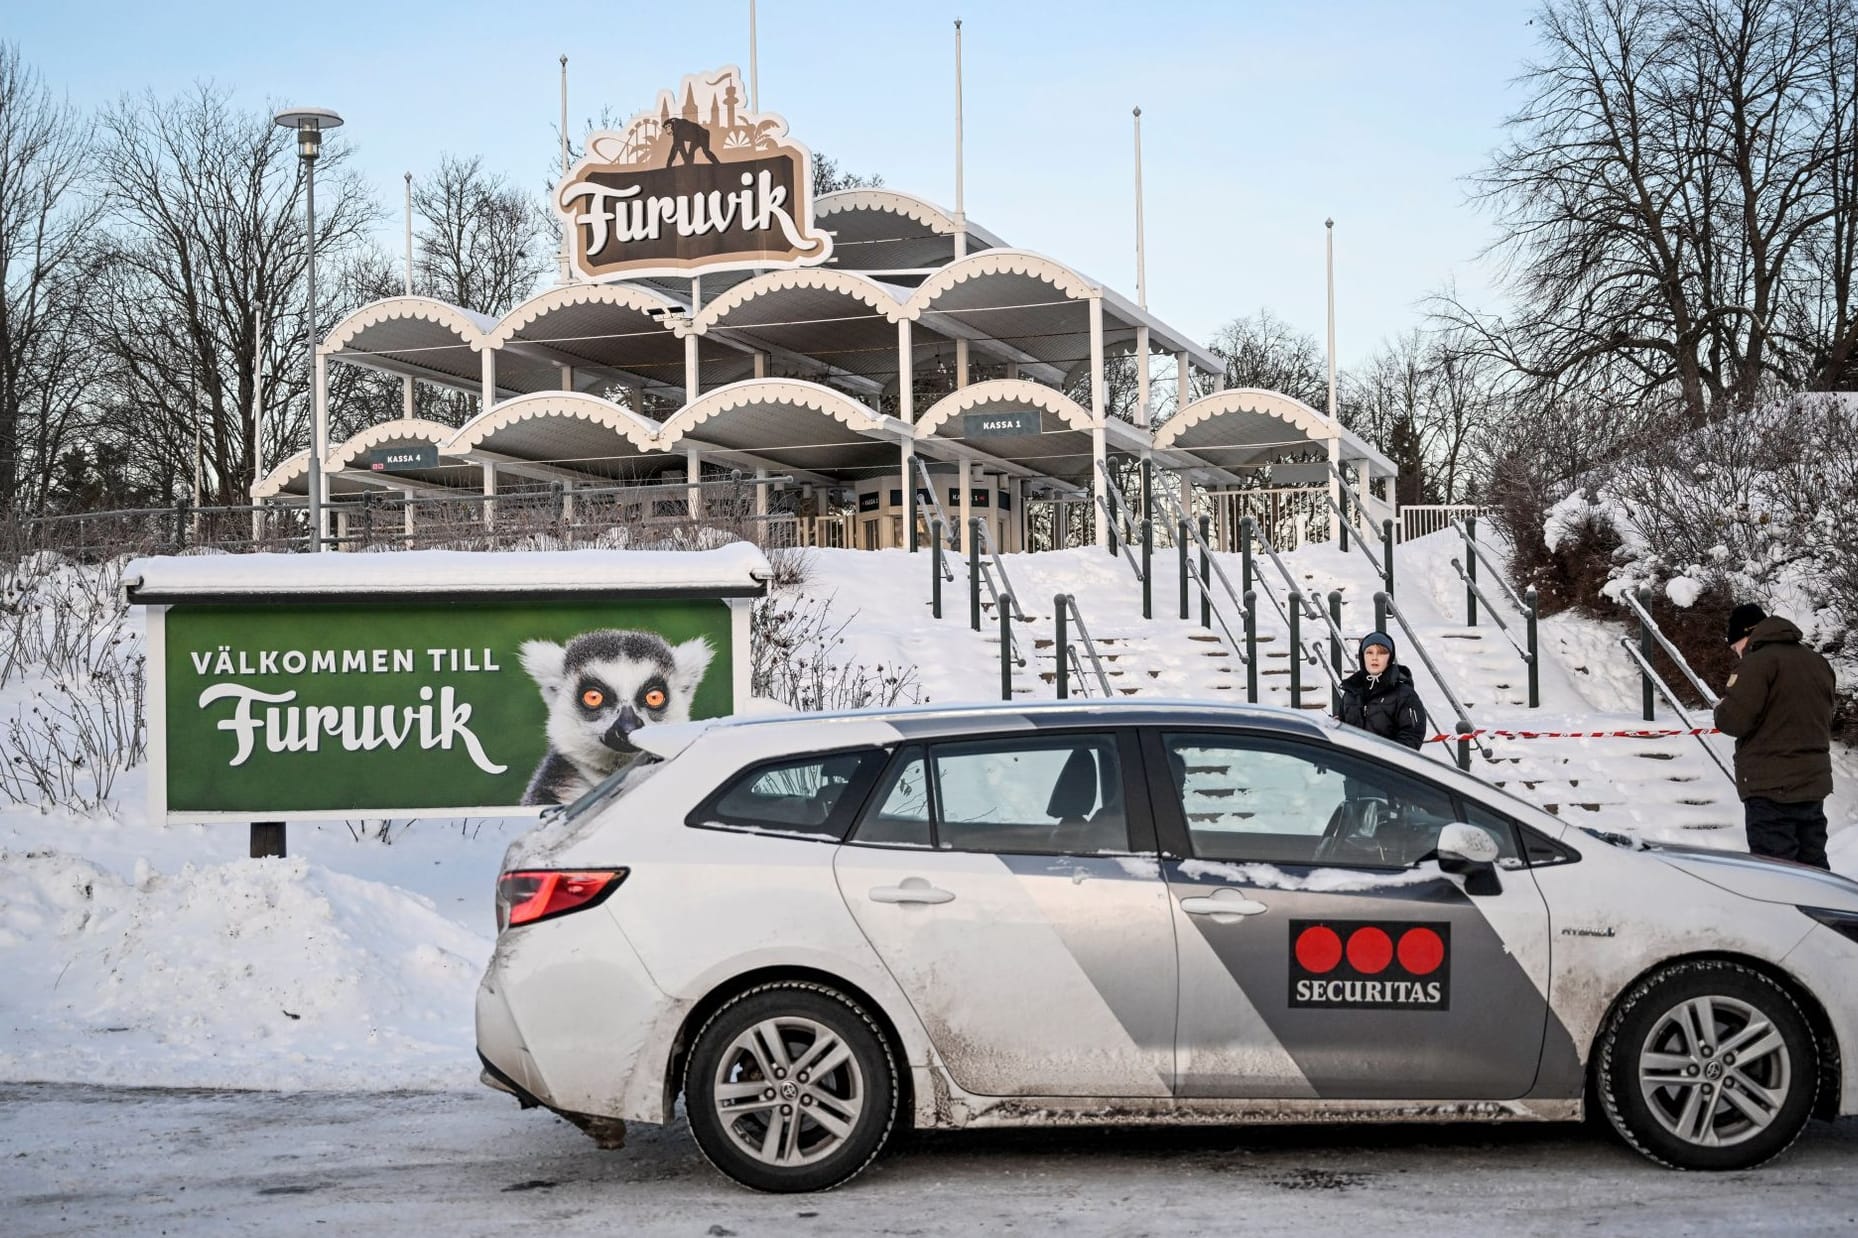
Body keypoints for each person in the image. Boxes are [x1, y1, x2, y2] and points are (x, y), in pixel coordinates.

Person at [1713, 602, 1836, 870]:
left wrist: (1720, 709)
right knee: (1813, 869)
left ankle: (1783, 914)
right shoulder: (1817, 662)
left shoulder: (1757, 662)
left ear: (1744, 637)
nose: (1738, 654)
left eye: (1735, 648)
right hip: (1812, 783)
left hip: (1770, 787)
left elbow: (1733, 720)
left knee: (1777, 874)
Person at [1338, 631, 1427, 750]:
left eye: (1381, 652)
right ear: (1362, 656)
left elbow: (1412, 735)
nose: (1374, 658)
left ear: (1390, 657)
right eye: (1369, 652)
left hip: (1386, 766)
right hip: (1354, 765)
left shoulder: (1404, 693)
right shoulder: (1351, 691)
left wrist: (1386, 758)